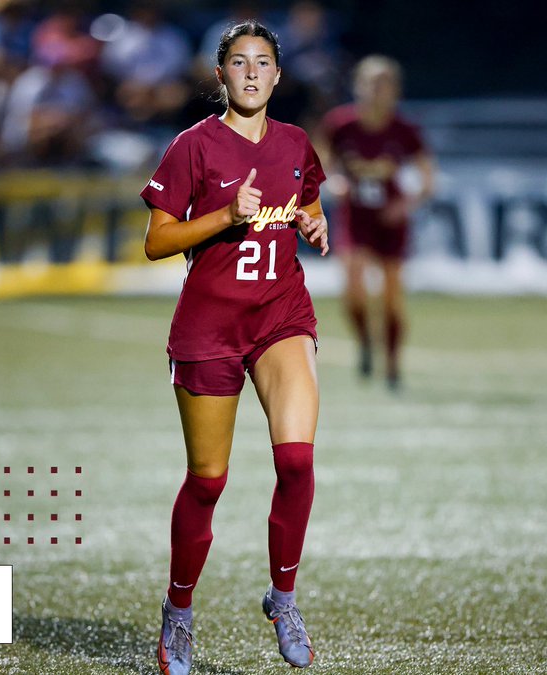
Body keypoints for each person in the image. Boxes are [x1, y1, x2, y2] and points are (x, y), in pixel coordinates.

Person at [140, 20, 328, 675]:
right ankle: (179, 612)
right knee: (208, 480)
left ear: (278, 75)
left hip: (281, 316)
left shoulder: (297, 143)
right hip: (208, 328)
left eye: (263, 63)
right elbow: (157, 241)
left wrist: (313, 218)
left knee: (298, 462)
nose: (251, 73)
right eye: (239, 63)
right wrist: (226, 217)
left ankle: (282, 597)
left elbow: (307, 196)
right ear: (220, 75)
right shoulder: (193, 146)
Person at [320, 56, 435, 391]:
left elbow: (428, 179)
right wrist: (335, 183)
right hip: (355, 216)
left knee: (390, 296)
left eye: (384, 84)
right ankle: (365, 342)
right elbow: (322, 164)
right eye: (371, 83)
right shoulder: (340, 124)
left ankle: (393, 365)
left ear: (395, 90)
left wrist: (405, 204)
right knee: (353, 290)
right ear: (358, 86)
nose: (376, 91)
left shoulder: (404, 130)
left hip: (389, 219)